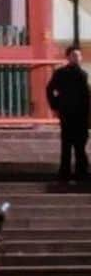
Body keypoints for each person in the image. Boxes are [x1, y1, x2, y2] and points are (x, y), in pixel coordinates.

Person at [46, 45, 90, 183]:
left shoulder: (84, 74)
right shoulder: (60, 73)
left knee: (80, 146)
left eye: (79, 55)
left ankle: (80, 174)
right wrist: (55, 105)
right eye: (74, 55)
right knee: (66, 145)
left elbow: (87, 96)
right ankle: (65, 174)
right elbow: (50, 89)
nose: (77, 58)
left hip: (81, 115)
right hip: (67, 113)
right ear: (68, 57)